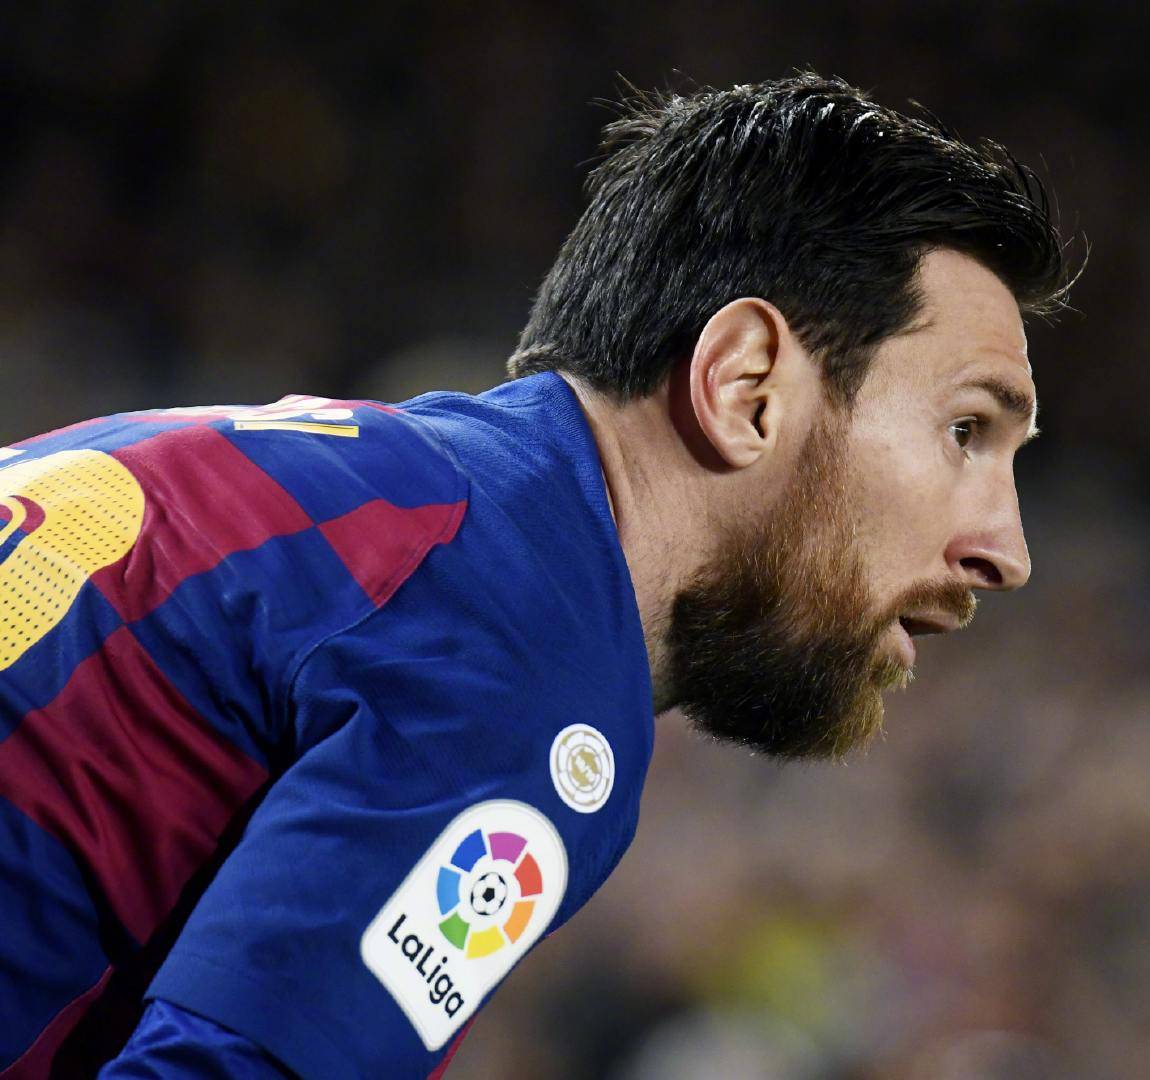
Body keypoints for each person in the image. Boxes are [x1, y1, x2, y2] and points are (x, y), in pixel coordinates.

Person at [0, 73, 1070, 1077]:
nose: (1006, 551)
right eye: (965, 431)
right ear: (747, 388)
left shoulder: (327, 492)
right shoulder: (522, 640)